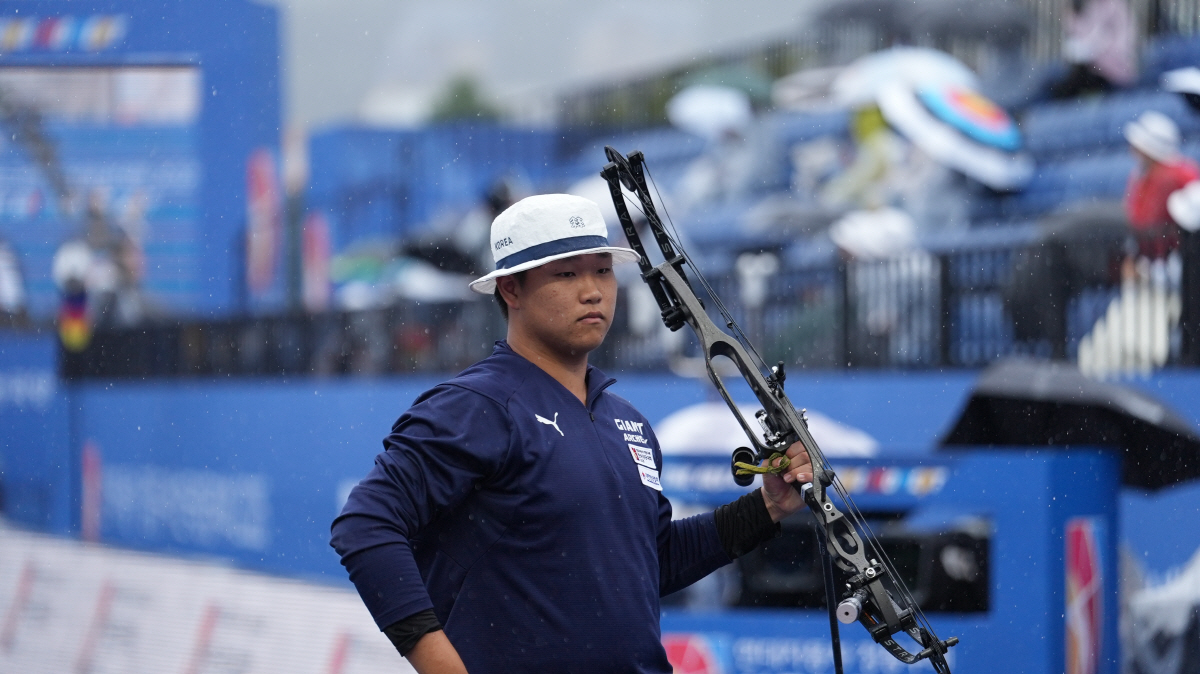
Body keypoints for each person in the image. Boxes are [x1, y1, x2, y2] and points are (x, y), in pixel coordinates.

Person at [330, 194, 812, 673]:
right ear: (511, 290)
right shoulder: (476, 405)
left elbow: (649, 563)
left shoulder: (628, 420)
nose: (593, 290)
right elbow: (366, 524)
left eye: (602, 270)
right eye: (566, 274)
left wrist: (767, 507)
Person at [1123, 111, 1200, 261]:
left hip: (1179, 256)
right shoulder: (1141, 175)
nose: (1133, 150)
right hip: (1154, 255)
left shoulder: (1179, 174)